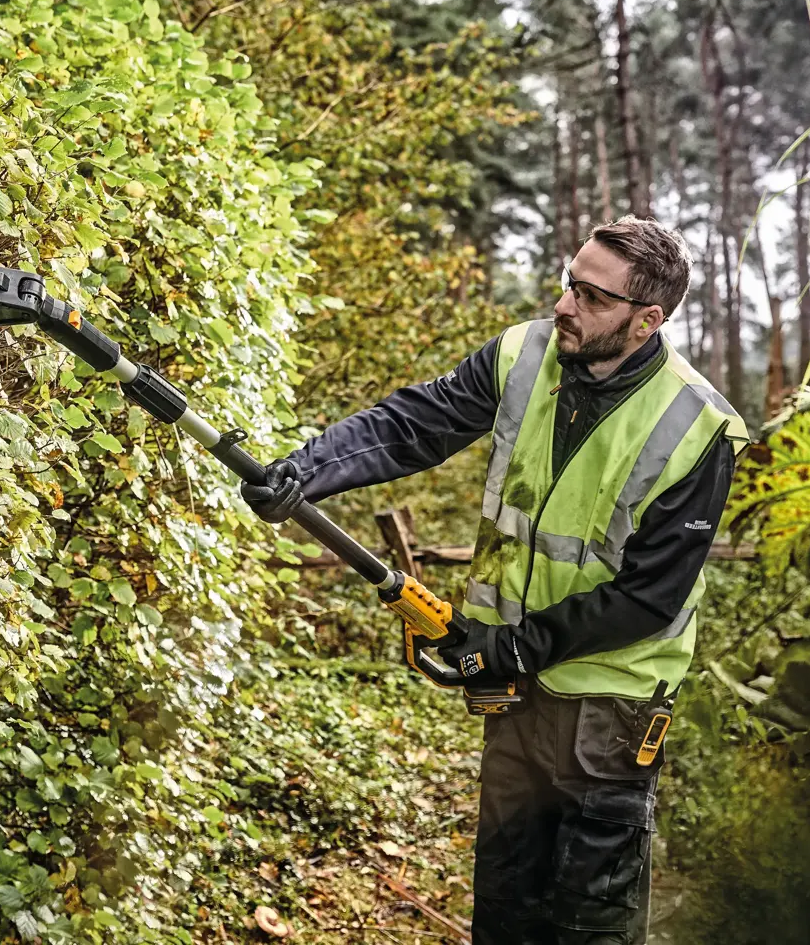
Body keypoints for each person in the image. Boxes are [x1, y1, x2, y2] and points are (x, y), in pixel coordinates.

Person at [241, 216, 747, 945]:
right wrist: (305, 473)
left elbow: (649, 597)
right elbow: (415, 424)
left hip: (609, 710)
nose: (566, 305)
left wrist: (511, 646)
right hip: (516, 695)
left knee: (588, 923)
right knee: (506, 909)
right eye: (568, 283)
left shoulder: (698, 427)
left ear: (647, 320)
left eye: (592, 297)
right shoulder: (526, 352)